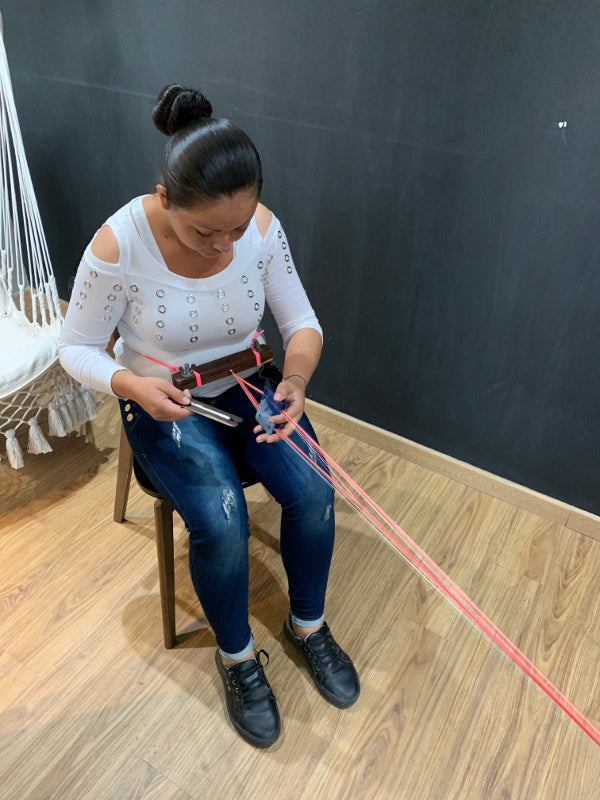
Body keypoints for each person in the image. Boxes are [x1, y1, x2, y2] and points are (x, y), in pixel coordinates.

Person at [59, 84, 359, 748]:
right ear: (165, 199)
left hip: (252, 386)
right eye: (205, 231)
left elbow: (302, 323)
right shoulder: (118, 245)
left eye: (237, 227)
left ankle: (306, 626)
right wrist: (131, 385)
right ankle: (238, 658)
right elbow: (73, 349)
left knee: (313, 492)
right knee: (222, 517)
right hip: (165, 398)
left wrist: (298, 382)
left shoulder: (260, 229)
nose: (225, 246)